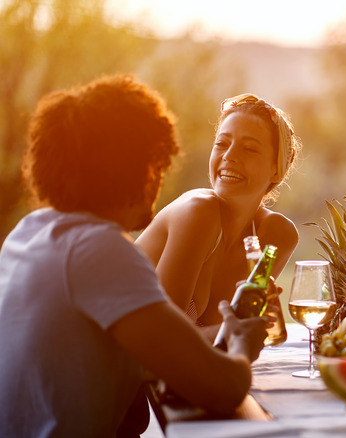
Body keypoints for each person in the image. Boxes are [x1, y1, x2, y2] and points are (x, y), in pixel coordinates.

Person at [0, 75, 270, 437]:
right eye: (157, 164)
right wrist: (241, 344)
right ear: (137, 169)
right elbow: (223, 388)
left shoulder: (31, 231)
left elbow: (152, 352)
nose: (159, 179)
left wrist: (224, 331)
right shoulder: (99, 249)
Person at [135, 93, 300, 329]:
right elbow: (161, 337)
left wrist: (250, 325)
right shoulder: (198, 212)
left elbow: (229, 346)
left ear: (277, 169)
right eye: (222, 143)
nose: (229, 156)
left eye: (249, 148)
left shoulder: (276, 236)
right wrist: (238, 331)